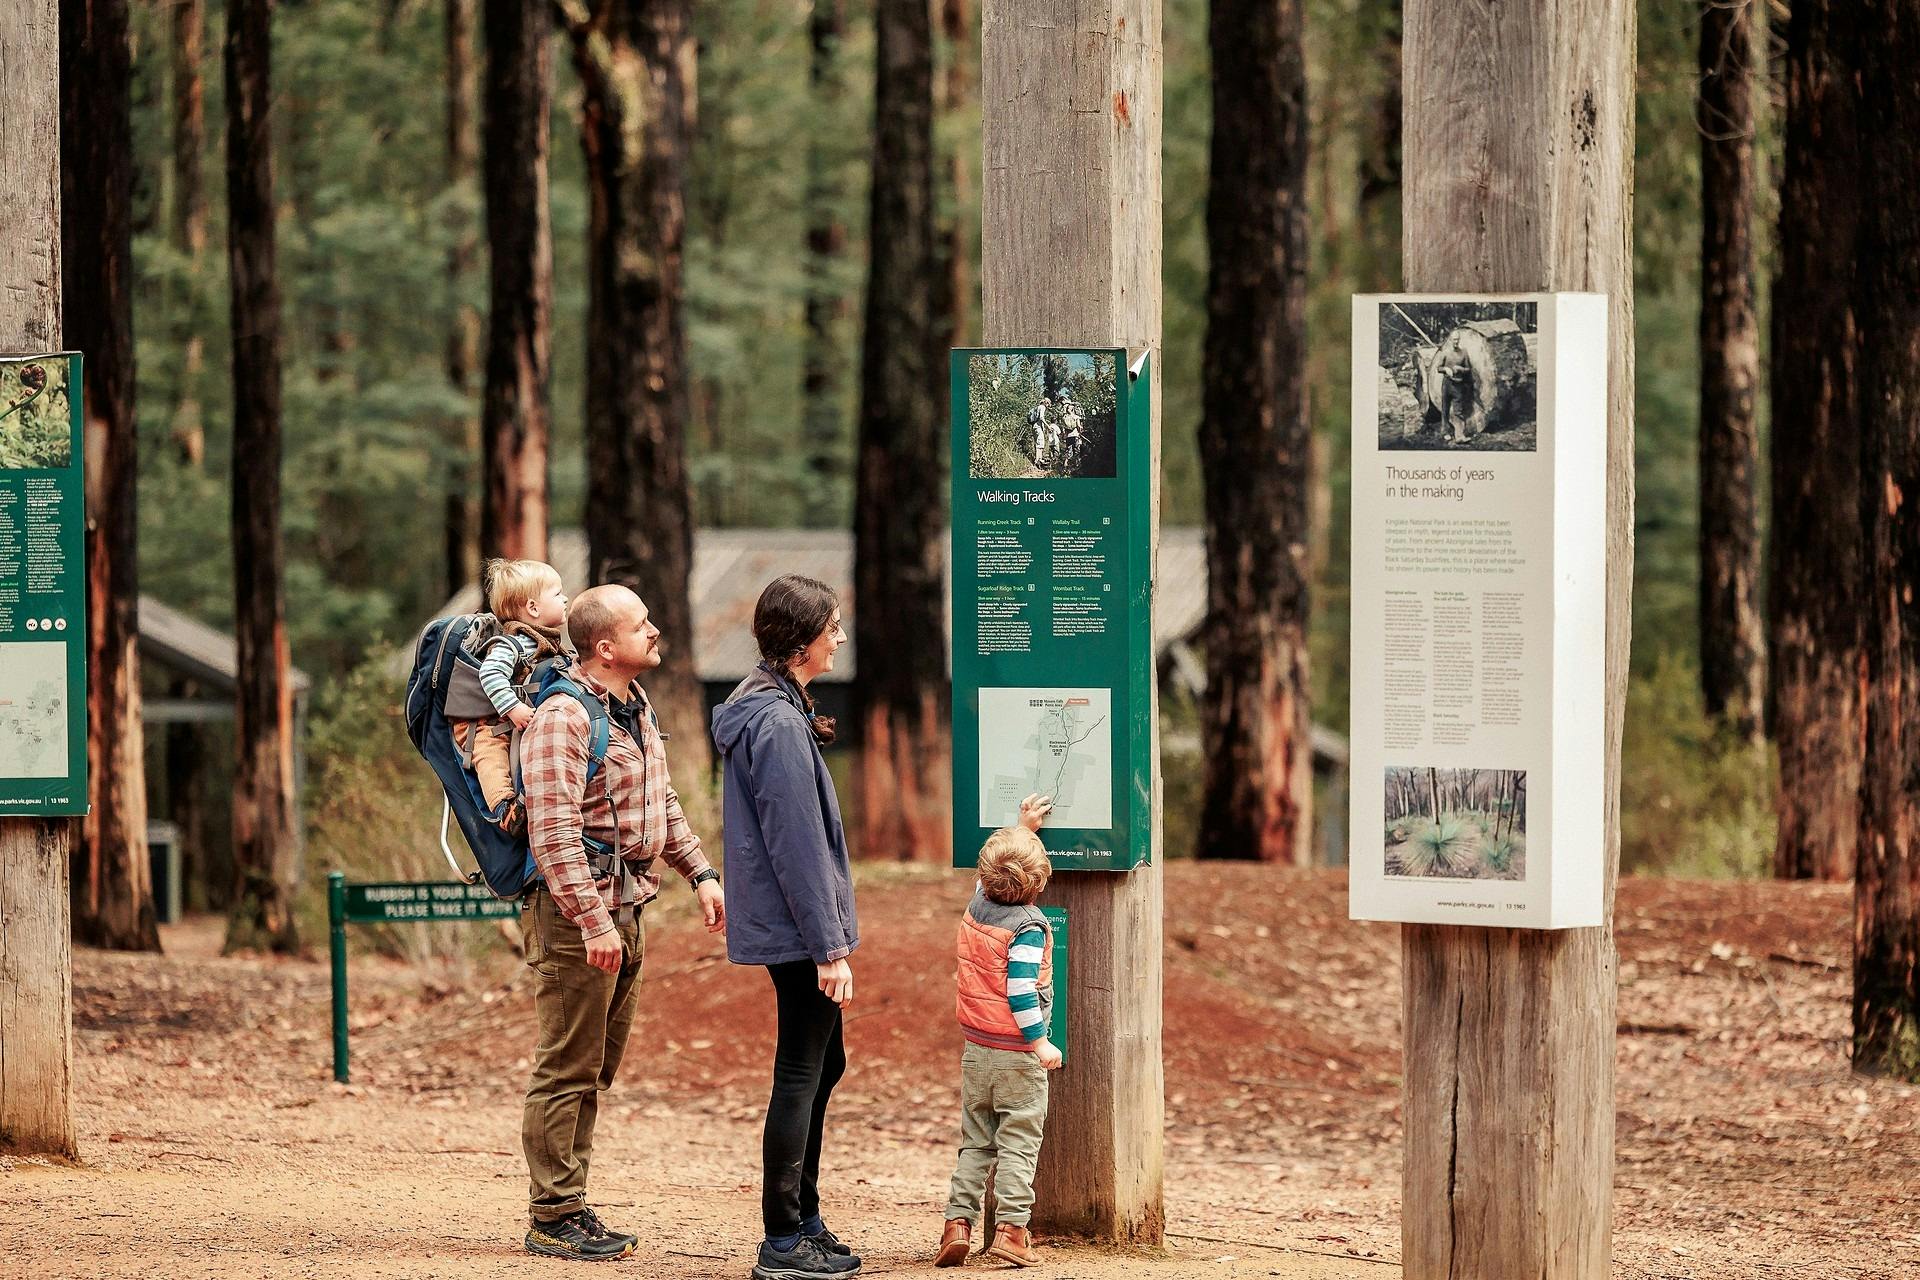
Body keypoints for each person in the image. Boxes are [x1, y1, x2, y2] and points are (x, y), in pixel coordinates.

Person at [517, 584, 727, 1262]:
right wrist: (591, 922)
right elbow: (552, 833)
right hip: (580, 915)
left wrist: (699, 872)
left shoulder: (633, 707)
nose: (656, 630)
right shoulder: (563, 717)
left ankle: (571, 1202)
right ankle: (552, 1213)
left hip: (627, 906)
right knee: (567, 1064)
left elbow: (658, 802)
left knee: (597, 1065)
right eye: (643, 624)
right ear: (606, 647)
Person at [710, 575, 861, 1280]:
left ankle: (806, 1219)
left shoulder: (776, 705)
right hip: (798, 927)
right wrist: (828, 946)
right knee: (802, 1069)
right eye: (833, 627)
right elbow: (796, 843)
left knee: (824, 1063)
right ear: (803, 640)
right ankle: (783, 1240)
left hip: (795, 922)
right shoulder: (773, 723)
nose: (840, 638)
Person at [936, 796, 1061, 1269]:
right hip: (1016, 1056)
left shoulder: (979, 903)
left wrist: (1021, 829)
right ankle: (1011, 1229)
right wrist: (1040, 1042)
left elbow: (992, 874)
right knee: (1018, 1143)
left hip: (977, 1049)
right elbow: (1021, 991)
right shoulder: (1028, 927)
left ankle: (958, 1224)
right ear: (1039, 883)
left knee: (977, 1142)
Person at [452, 558, 569, 826]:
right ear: (533, 608)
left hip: (509, 721)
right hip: (485, 721)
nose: (565, 599)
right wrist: (512, 707)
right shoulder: (513, 644)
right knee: (490, 758)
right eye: (557, 594)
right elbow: (490, 674)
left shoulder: (543, 642)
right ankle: (505, 810)